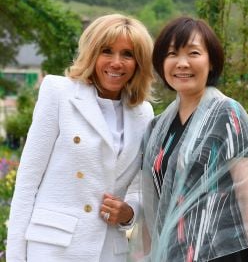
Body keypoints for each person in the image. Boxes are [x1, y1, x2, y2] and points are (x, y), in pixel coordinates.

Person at [6, 13, 154, 262]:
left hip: (108, 252)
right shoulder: (58, 92)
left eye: (127, 54)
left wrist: (128, 213)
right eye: (107, 51)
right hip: (52, 249)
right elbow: (27, 182)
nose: (117, 62)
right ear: (92, 53)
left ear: (139, 62)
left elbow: (140, 188)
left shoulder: (144, 113)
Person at [137, 17, 248, 262]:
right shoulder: (156, 128)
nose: (182, 63)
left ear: (211, 62)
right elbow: (152, 209)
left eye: (194, 53)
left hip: (222, 254)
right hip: (171, 254)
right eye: (172, 54)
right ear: (161, 63)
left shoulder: (229, 115)